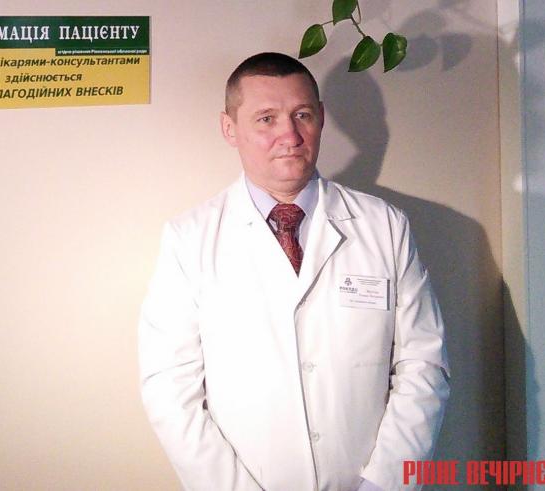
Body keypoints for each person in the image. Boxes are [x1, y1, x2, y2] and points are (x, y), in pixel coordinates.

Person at [138, 52, 450, 491]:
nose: (289, 135)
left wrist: (384, 483)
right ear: (230, 128)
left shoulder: (384, 226)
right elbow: (170, 389)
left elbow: (424, 364)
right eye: (266, 119)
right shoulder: (189, 239)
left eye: (301, 115)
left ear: (320, 118)